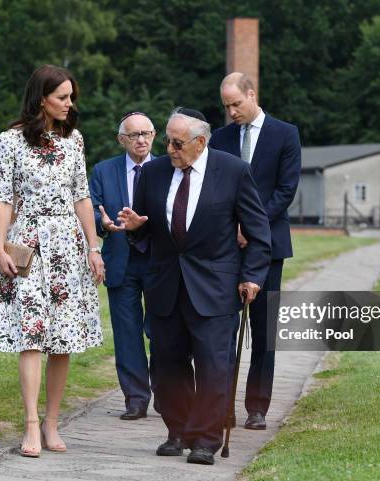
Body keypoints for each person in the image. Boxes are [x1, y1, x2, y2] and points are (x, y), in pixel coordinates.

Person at [117, 108, 271, 465]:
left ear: (200, 142)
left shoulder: (233, 171)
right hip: (166, 284)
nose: (168, 149)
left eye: (177, 142)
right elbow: (143, 231)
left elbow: (259, 232)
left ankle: (205, 438)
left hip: (215, 287)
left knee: (214, 366)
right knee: (167, 366)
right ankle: (179, 428)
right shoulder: (154, 173)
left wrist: (252, 276)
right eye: (168, 140)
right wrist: (137, 226)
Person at [0, 64, 105, 458]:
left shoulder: (75, 141)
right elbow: (3, 199)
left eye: (72, 97)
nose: (70, 104)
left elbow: (82, 197)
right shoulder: (10, 141)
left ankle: (53, 422)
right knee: (31, 335)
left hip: (68, 247)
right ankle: (32, 425)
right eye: (63, 97)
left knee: (62, 338)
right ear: (42, 100)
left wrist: (93, 247)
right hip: (29, 246)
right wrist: (0, 247)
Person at [209, 72, 301, 430]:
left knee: (264, 332)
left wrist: (252, 226)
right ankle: (223, 405)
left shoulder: (285, 134)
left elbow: (286, 190)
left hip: (269, 247)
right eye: (226, 106)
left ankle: (257, 407)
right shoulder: (220, 138)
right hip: (228, 248)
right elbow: (215, 189)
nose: (231, 112)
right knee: (225, 331)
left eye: (236, 104)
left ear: (252, 95)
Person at [89, 112, 156, 420]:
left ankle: (168, 394)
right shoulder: (104, 171)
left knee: (162, 331)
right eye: (134, 135)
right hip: (121, 261)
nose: (141, 140)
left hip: (160, 262)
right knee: (127, 333)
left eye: (146, 133)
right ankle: (136, 398)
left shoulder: (168, 168)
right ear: (121, 140)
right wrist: (100, 224)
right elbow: (91, 210)